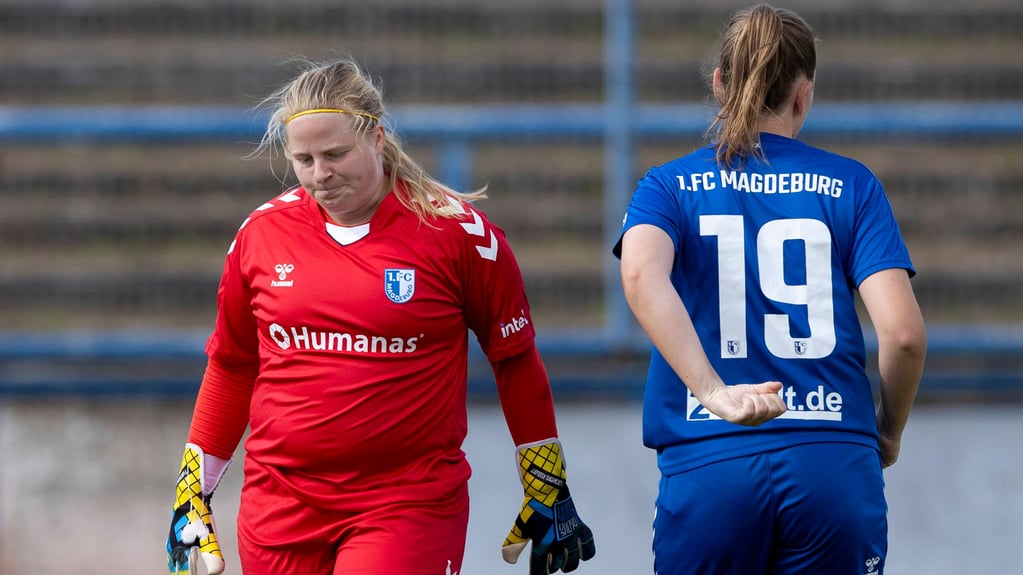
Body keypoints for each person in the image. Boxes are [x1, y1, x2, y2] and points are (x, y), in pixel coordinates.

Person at [165, 56, 595, 575]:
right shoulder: (259, 235)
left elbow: (515, 359)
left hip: (407, 505)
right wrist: (192, 491)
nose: (320, 175)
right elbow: (233, 365)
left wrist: (545, 481)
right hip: (277, 506)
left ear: (377, 137)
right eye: (303, 159)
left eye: (335, 154)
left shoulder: (459, 235)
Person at [615, 5, 927, 575]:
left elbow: (639, 274)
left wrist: (713, 392)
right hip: (833, 464)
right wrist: (887, 430)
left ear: (719, 84)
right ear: (803, 97)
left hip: (710, 464)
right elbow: (904, 336)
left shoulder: (668, 185)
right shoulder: (853, 185)